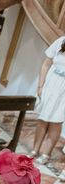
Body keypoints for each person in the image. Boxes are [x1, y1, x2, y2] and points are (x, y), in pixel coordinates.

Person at [30, 36, 65, 169]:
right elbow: (46, 64)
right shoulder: (61, 41)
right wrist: (40, 85)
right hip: (51, 85)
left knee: (56, 121)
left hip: (64, 91)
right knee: (42, 118)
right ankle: (35, 149)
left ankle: (46, 153)